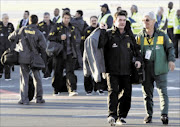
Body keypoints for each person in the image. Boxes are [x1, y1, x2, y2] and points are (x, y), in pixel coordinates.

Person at [99, 11, 142, 125]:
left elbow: (136, 50)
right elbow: (100, 45)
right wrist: (102, 31)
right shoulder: (109, 34)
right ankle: (112, 115)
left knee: (126, 94)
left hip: (127, 70)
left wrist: (138, 60)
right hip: (112, 70)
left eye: (124, 20)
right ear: (115, 21)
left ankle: (121, 116)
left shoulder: (129, 35)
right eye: (120, 20)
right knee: (113, 92)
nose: (122, 22)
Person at [136, 11, 175, 125]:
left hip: (160, 67)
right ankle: (149, 114)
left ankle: (164, 114)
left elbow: (170, 48)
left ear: (154, 21)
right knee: (147, 93)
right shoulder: (139, 36)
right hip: (146, 69)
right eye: (143, 20)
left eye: (147, 20)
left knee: (163, 92)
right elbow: (135, 52)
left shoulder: (162, 35)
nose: (145, 22)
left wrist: (171, 60)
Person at [9, 14, 47, 105]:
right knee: (37, 78)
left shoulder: (21, 30)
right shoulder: (38, 32)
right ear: (37, 22)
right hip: (35, 58)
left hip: (23, 57)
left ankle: (24, 99)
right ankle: (39, 98)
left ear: (29, 21)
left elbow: (10, 37)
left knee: (24, 78)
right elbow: (44, 46)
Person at [48, 11, 78, 97]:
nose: (66, 20)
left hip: (70, 53)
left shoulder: (72, 27)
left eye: (68, 18)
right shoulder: (57, 26)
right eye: (65, 18)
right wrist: (59, 38)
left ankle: (72, 89)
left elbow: (75, 41)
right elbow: (50, 37)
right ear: (62, 18)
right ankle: (56, 90)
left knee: (70, 72)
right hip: (59, 53)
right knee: (58, 72)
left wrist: (75, 54)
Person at [83, 16, 105, 95]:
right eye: (92, 20)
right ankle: (88, 89)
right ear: (90, 21)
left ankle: (99, 88)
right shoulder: (87, 30)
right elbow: (84, 41)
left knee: (99, 69)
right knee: (87, 71)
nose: (94, 22)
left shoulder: (100, 30)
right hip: (88, 52)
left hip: (98, 52)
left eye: (95, 20)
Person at [38, 12, 55, 79]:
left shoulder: (53, 24)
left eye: (47, 17)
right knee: (44, 60)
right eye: (44, 17)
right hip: (43, 46)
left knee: (51, 60)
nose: (45, 19)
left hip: (51, 45)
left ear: (49, 17)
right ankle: (45, 73)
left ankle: (49, 72)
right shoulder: (40, 25)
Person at [0, 14, 14, 80]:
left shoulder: (10, 26)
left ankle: (7, 76)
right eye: (5, 18)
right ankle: (0, 72)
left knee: (8, 61)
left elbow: (14, 35)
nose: (6, 20)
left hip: (8, 47)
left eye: (7, 18)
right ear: (2, 19)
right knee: (0, 61)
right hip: (0, 47)